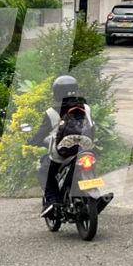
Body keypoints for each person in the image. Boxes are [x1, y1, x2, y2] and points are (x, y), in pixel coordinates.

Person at [28, 76, 94, 219]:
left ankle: (53, 201)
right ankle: (94, 193)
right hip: (85, 149)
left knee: (44, 172)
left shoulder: (51, 112)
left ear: (56, 92)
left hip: (62, 154)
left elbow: (41, 135)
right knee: (91, 165)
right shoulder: (86, 107)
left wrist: (32, 142)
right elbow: (92, 127)